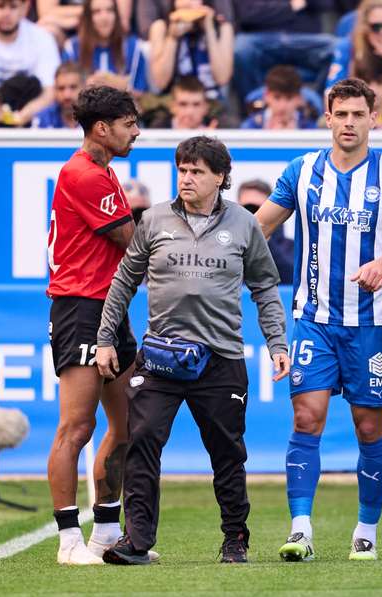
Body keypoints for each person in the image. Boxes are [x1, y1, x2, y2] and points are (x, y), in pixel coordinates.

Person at [96, 136, 291, 565]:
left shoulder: (244, 223)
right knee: (142, 441)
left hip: (220, 358)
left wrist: (277, 342)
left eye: (197, 171)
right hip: (161, 356)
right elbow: (124, 280)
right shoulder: (153, 220)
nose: (187, 177)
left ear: (220, 177)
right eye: (182, 169)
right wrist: (106, 338)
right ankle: (137, 541)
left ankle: (235, 538)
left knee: (227, 452)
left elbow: (264, 286)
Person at [254, 78, 382, 562]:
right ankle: (301, 530)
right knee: (306, 418)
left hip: (371, 324)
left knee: (369, 429)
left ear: (375, 119)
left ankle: (366, 530)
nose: (349, 123)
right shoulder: (302, 170)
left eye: (358, 114)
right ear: (327, 118)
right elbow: (259, 227)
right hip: (313, 319)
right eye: (340, 114)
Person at [45, 85, 146, 566]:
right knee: (76, 427)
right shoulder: (83, 174)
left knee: (127, 425)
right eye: (129, 124)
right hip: (80, 307)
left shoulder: (102, 172)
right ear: (102, 128)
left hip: (111, 305)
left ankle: (105, 531)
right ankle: (69, 540)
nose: (136, 132)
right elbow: (132, 241)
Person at [148, 0, 233, 101]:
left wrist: (209, 31)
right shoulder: (160, 27)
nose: (188, 3)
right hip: (173, 101)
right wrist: (172, 38)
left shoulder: (222, 27)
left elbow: (222, 78)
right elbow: (161, 82)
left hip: (210, 101)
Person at [62, 0, 150, 95]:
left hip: (121, 107)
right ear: (87, 17)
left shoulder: (133, 47)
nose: (104, 17)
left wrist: (120, 85)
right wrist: (87, 85)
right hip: (85, 107)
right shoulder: (72, 48)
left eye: (110, 10)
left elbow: (140, 92)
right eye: (97, 11)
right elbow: (65, 92)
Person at [237, 179, 293, 285]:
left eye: (259, 209)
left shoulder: (291, 247)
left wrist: (265, 237)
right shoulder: (226, 244)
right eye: (247, 208)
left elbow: (290, 278)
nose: (253, 214)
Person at [240, 65, 317, 130]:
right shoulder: (250, 127)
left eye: (289, 98)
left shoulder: (310, 128)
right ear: (266, 96)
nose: (282, 106)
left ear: (299, 99)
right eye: (277, 98)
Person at [32, 62, 85, 129]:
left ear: (84, 88)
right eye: (61, 88)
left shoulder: (95, 119)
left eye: (73, 87)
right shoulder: (42, 119)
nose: (67, 95)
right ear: (55, 90)